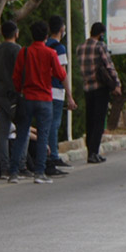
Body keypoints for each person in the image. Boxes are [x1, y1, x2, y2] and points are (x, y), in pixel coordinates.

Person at [9, 20, 66, 184]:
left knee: (21, 135)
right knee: (43, 136)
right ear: (46, 36)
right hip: (45, 99)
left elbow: (16, 76)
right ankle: (40, 172)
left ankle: (13, 172)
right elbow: (60, 74)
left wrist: (20, 89)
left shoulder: (24, 52)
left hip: (27, 97)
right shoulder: (50, 53)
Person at [76, 21, 123, 163]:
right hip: (100, 87)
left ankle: (90, 151)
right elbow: (109, 66)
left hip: (87, 88)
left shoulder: (80, 47)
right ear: (101, 34)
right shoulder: (100, 46)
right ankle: (94, 152)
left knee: (90, 120)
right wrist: (116, 84)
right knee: (99, 121)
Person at [43, 15, 75, 177]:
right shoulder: (60, 49)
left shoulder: (44, 45)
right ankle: (54, 156)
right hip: (56, 90)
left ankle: (47, 155)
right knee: (54, 125)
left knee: (46, 125)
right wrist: (70, 95)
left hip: (43, 90)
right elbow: (62, 73)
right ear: (62, 29)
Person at [0, 20, 23, 179]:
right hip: (12, 95)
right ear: (16, 33)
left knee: (3, 132)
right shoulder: (16, 49)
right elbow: (20, 72)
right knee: (22, 130)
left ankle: (4, 168)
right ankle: (20, 165)